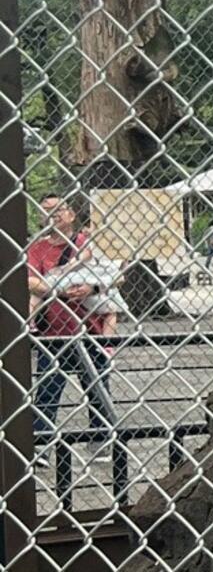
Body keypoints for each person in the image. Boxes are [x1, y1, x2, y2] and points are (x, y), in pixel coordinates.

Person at [27, 192, 116, 449]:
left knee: (98, 390)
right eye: (45, 210)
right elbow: (29, 279)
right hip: (53, 333)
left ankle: (100, 441)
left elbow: (116, 276)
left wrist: (92, 288)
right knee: (46, 391)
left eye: (57, 209)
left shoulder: (89, 243)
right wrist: (58, 289)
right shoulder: (37, 248)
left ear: (71, 214)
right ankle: (41, 443)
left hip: (91, 329)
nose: (52, 215)